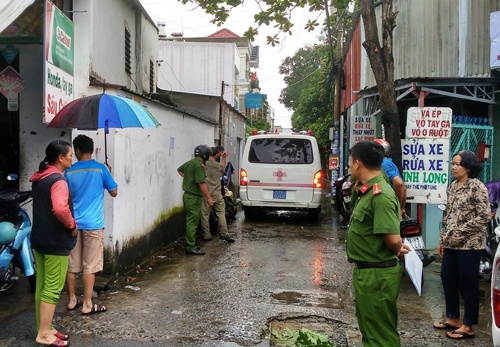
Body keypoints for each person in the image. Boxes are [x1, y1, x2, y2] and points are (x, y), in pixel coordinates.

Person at [346, 140, 409, 347]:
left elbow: (392, 238)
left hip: (377, 275)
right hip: (368, 272)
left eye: (350, 162)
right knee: (371, 331)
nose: (349, 166)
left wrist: (397, 247)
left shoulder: (380, 195)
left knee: (380, 335)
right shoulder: (367, 190)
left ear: (357, 163)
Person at [433, 150, 490, 340]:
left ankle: (468, 325)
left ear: (468, 167)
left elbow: (483, 216)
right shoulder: (452, 186)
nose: (454, 167)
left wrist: (459, 232)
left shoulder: (477, 187)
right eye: (453, 163)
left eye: (458, 164)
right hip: (450, 243)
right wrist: (442, 239)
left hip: (470, 245)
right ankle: (453, 318)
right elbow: (448, 215)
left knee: (468, 283)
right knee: (447, 277)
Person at [30, 140, 77, 347]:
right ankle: (43, 334)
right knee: (52, 287)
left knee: (42, 285)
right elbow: (60, 209)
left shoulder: (41, 178)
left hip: (40, 239)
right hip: (55, 241)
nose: (71, 158)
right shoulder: (58, 180)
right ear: (60, 158)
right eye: (70, 155)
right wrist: (72, 225)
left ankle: (46, 328)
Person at [64, 135, 118, 315]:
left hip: (72, 224)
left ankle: (72, 300)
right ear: (92, 149)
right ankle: (87, 303)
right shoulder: (101, 169)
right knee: (90, 265)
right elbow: (114, 192)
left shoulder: (69, 172)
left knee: (72, 264)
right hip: (93, 224)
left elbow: (65, 198)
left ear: (77, 151)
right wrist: (108, 172)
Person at [177, 144, 214, 255]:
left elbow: (179, 170)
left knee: (191, 220)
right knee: (192, 222)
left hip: (187, 196)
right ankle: (190, 247)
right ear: (205, 155)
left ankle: (191, 244)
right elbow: (202, 184)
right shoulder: (198, 166)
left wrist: (189, 178)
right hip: (193, 197)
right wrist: (209, 198)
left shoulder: (190, 163)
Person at [200, 147, 235, 243]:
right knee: (221, 214)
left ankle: (207, 235)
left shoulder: (203, 165)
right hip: (217, 193)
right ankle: (224, 234)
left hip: (205, 193)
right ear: (216, 155)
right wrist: (224, 158)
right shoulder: (218, 165)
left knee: (205, 215)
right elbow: (224, 169)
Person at [373, 138, 408, 218]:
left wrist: (398, 208)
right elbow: (403, 188)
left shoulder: (384, 165)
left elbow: (399, 184)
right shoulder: (388, 163)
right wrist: (401, 208)